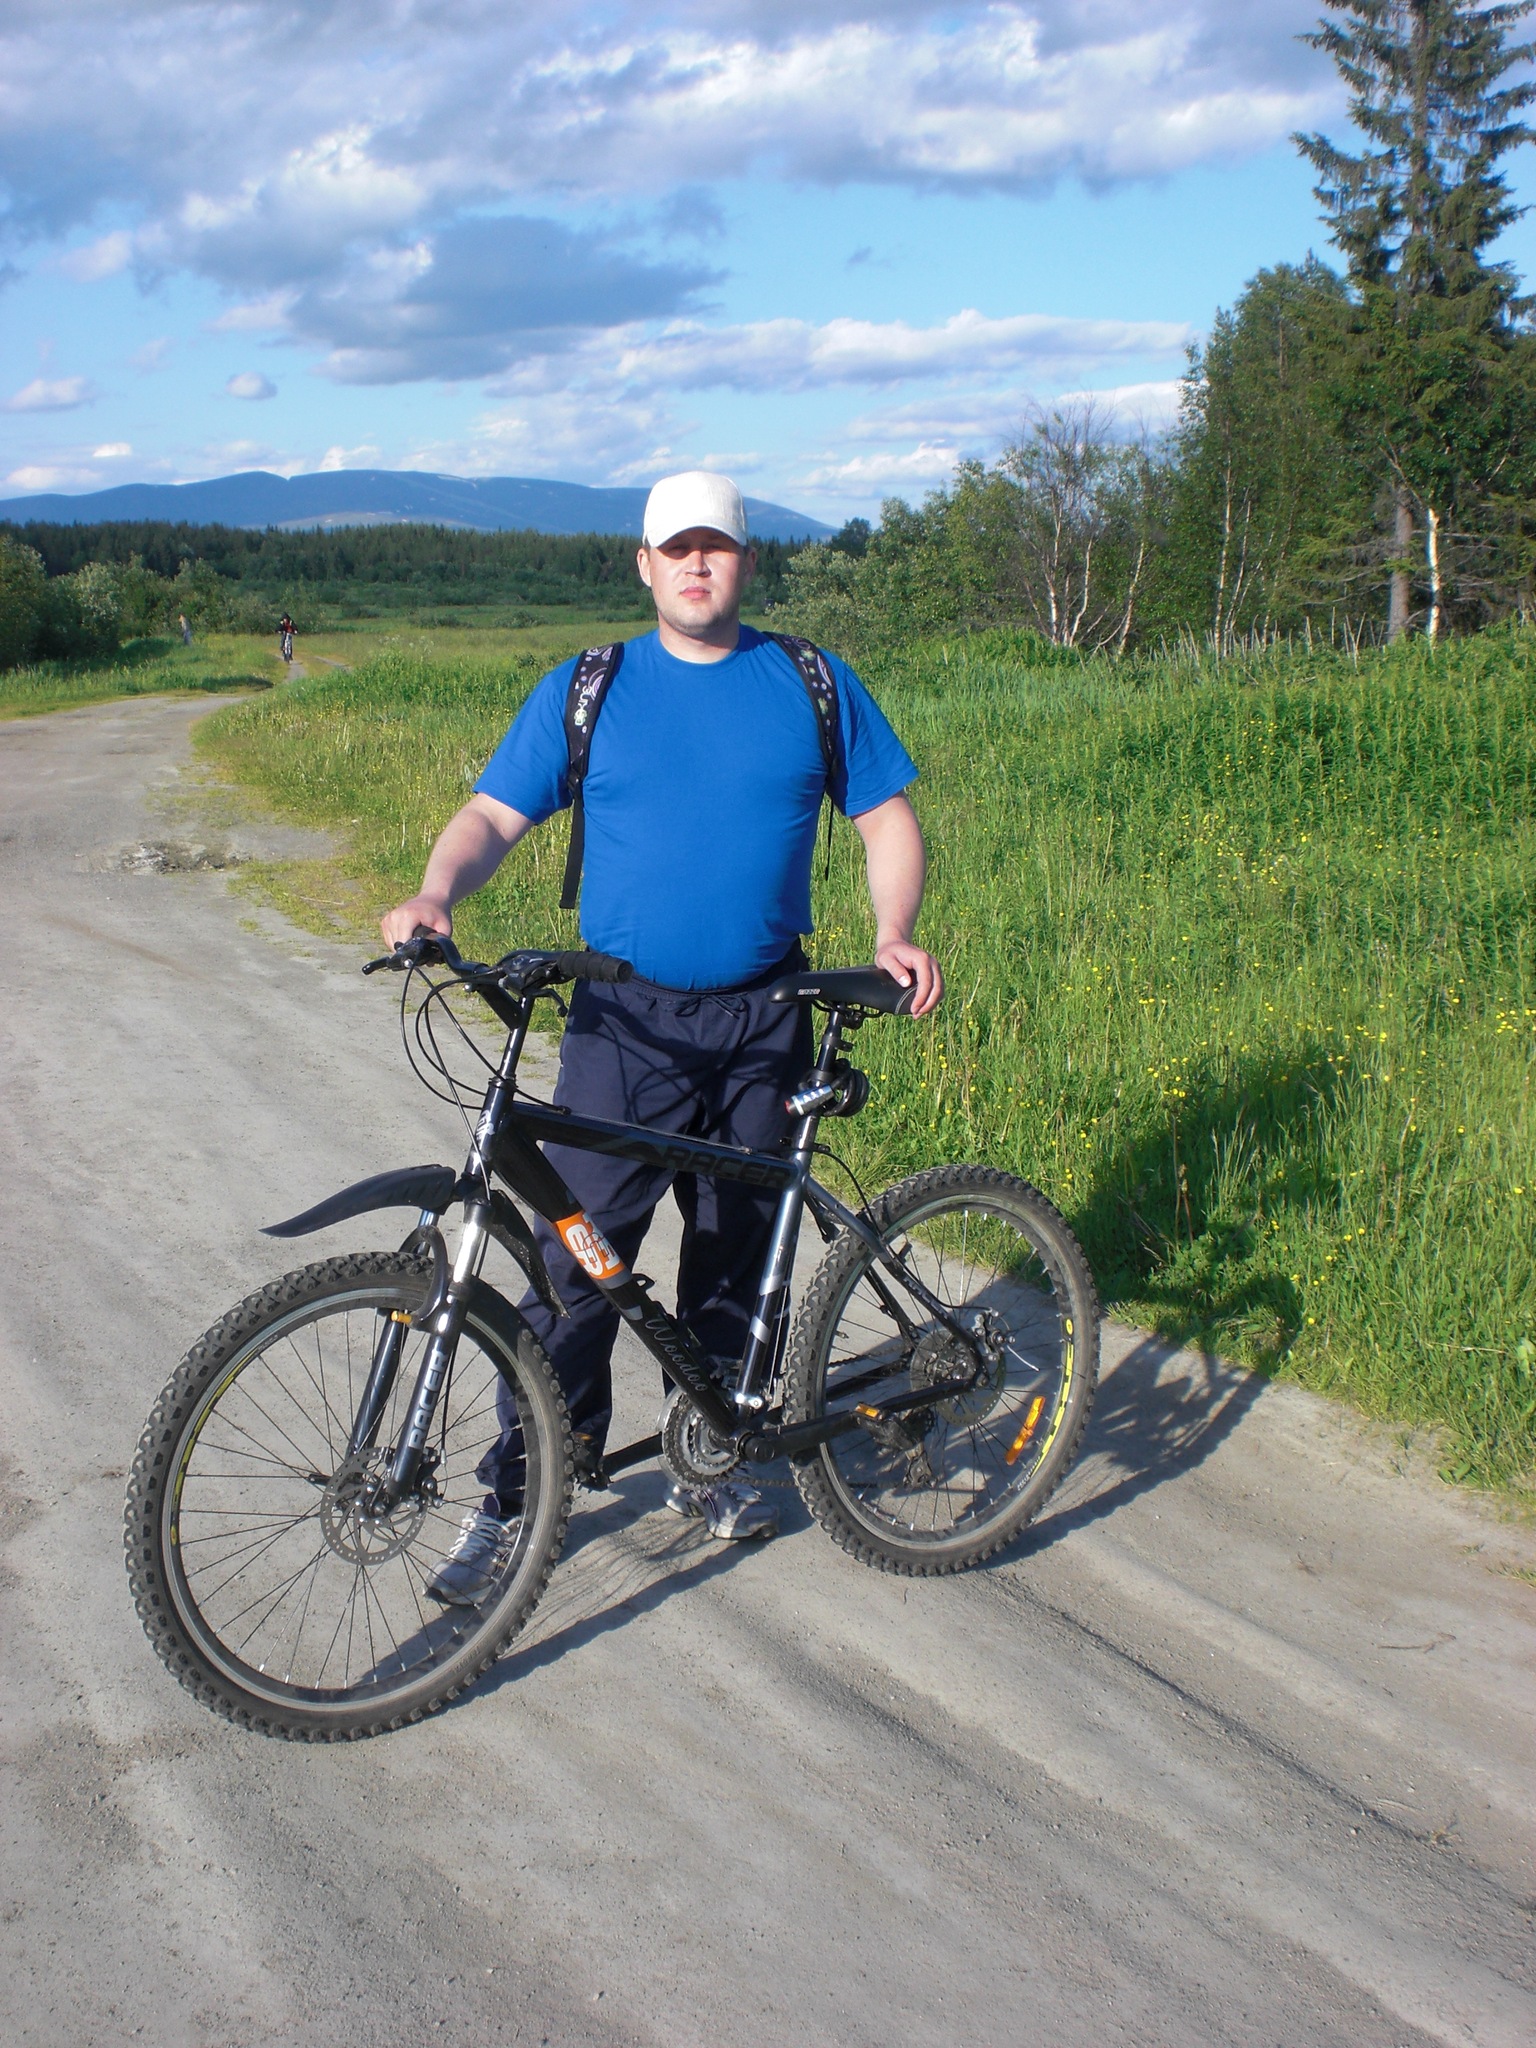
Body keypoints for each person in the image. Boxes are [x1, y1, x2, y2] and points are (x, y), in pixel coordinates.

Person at [380, 470, 941, 1597]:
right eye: (675, 547)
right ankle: (521, 1492)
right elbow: (493, 813)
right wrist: (437, 892)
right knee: (575, 1266)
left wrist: (894, 931)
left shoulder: (810, 681)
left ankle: (711, 1456)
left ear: (746, 561)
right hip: (624, 1027)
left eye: (715, 546)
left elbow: (885, 816)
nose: (696, 563)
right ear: (643, 565)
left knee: (736, 1256)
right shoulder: (592, 687)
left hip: (768, 1016)